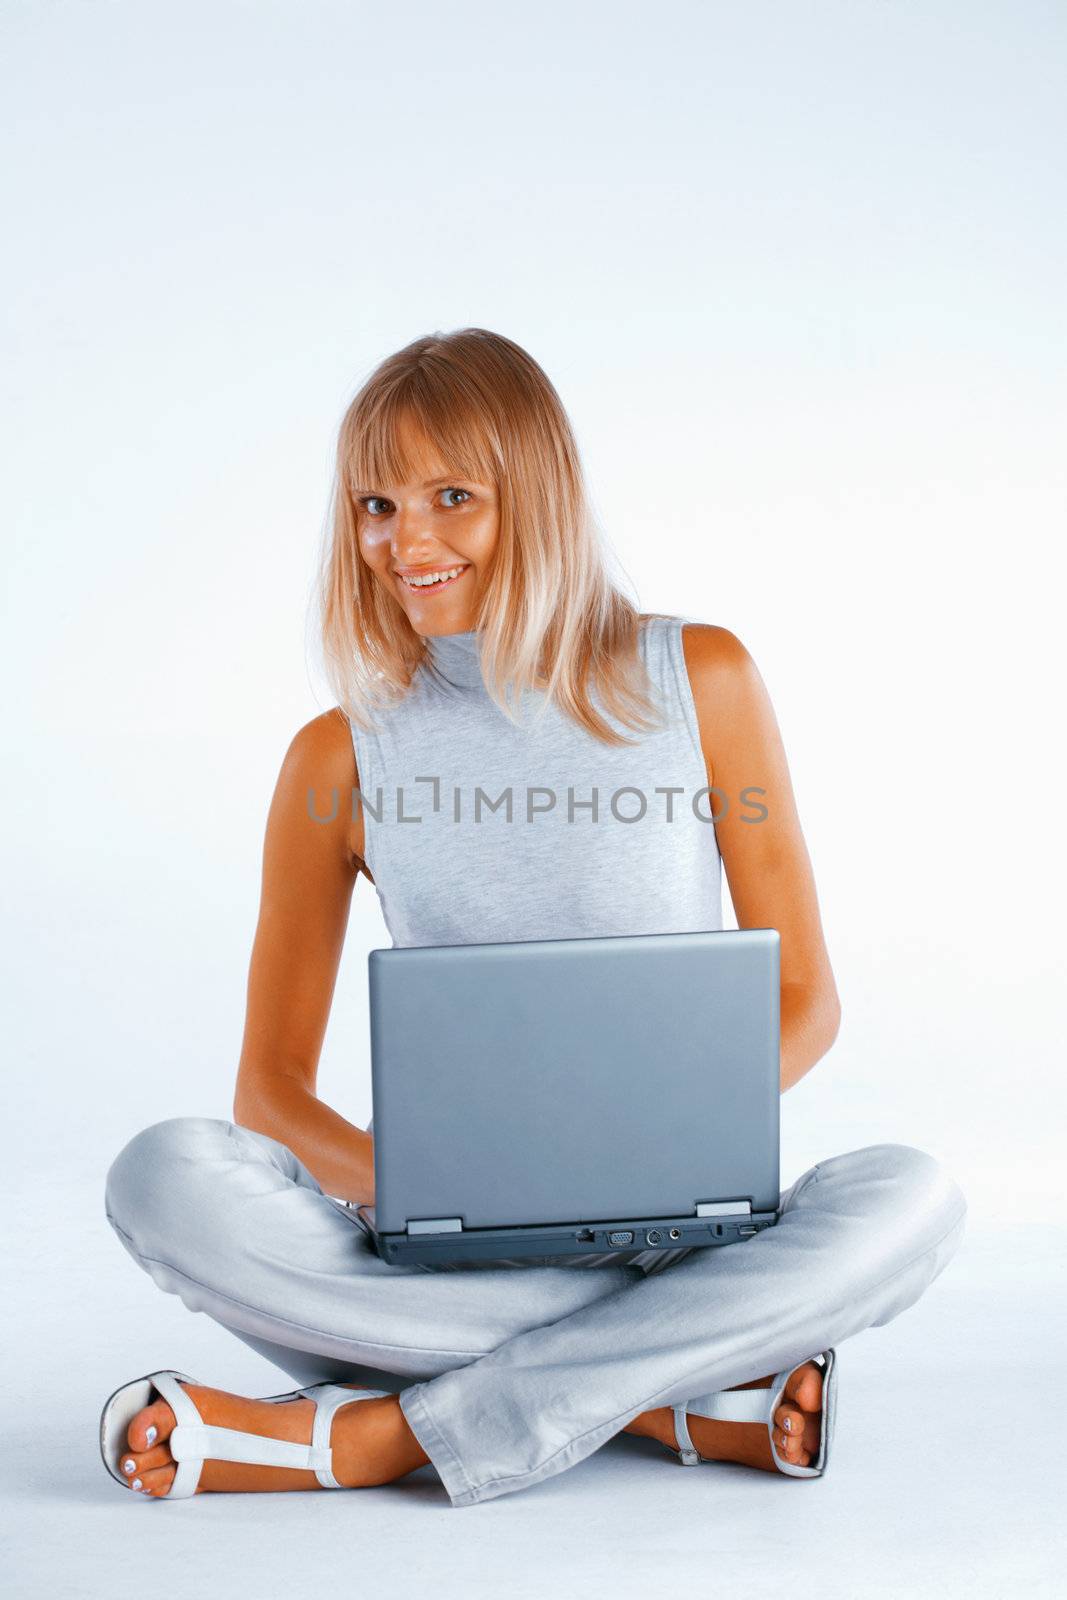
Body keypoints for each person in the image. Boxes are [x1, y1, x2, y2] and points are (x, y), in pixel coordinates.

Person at [101, 327, 967, 1507]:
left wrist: (666, 1148)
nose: (404, 542)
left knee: (910, 1198)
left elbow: (807, 1004)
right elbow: (269, 1094)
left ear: (536, 495)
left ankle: (377, 1437)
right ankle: (668, 1383)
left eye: (450, 496)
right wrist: (414, 1191)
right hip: (452, 1245)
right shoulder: (335, 755)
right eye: (374, 503)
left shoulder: (698, 678)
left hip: (678, 1223)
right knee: (160, 1177)